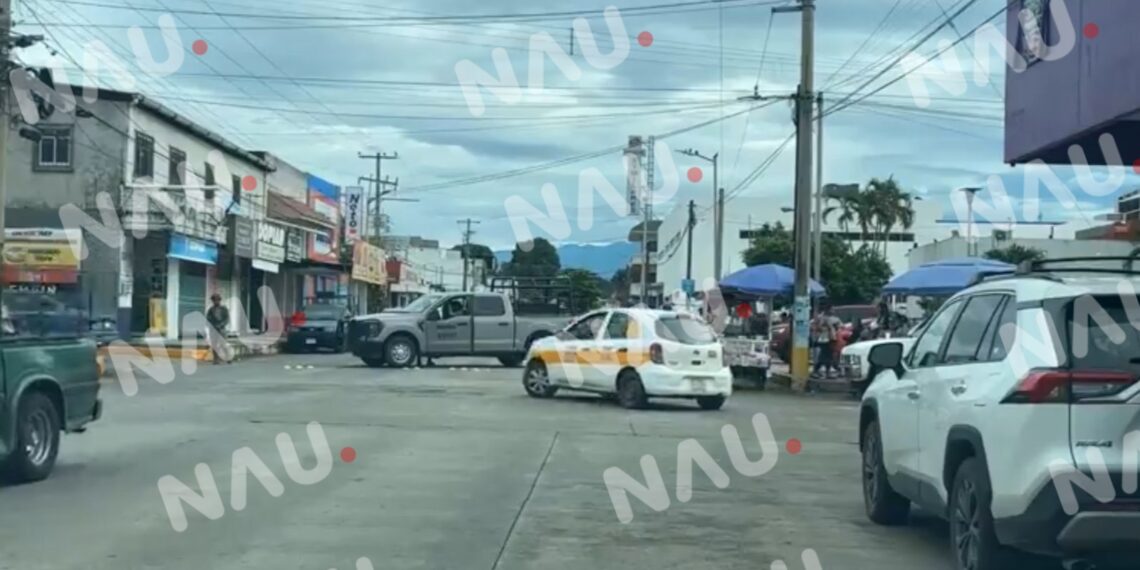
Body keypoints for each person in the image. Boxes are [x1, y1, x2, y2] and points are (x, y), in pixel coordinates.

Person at [811, 304, 841, 379]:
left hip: (831, 338)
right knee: (825, 355)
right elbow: (815, 327)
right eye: (832, 309)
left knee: (828, 355)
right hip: (823, 339)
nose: (833, 311)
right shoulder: (821, 318)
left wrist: (834, 327)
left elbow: (839, 326)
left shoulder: (834, 319)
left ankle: (826, 372)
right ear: (827, 310)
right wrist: (824, 326)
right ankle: (818, 371)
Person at [206, 293, 231, 365]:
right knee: (214, 345)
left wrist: (221, 325)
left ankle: (228, 357)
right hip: (213, 329)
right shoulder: (211, 310)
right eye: (214, 300)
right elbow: (208, 319)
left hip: (221, 329)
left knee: (223, 344)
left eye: (217, 300)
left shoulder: (224, 309)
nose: (215, 302)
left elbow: (227, 319)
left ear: (219, 300)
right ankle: (216, 359)